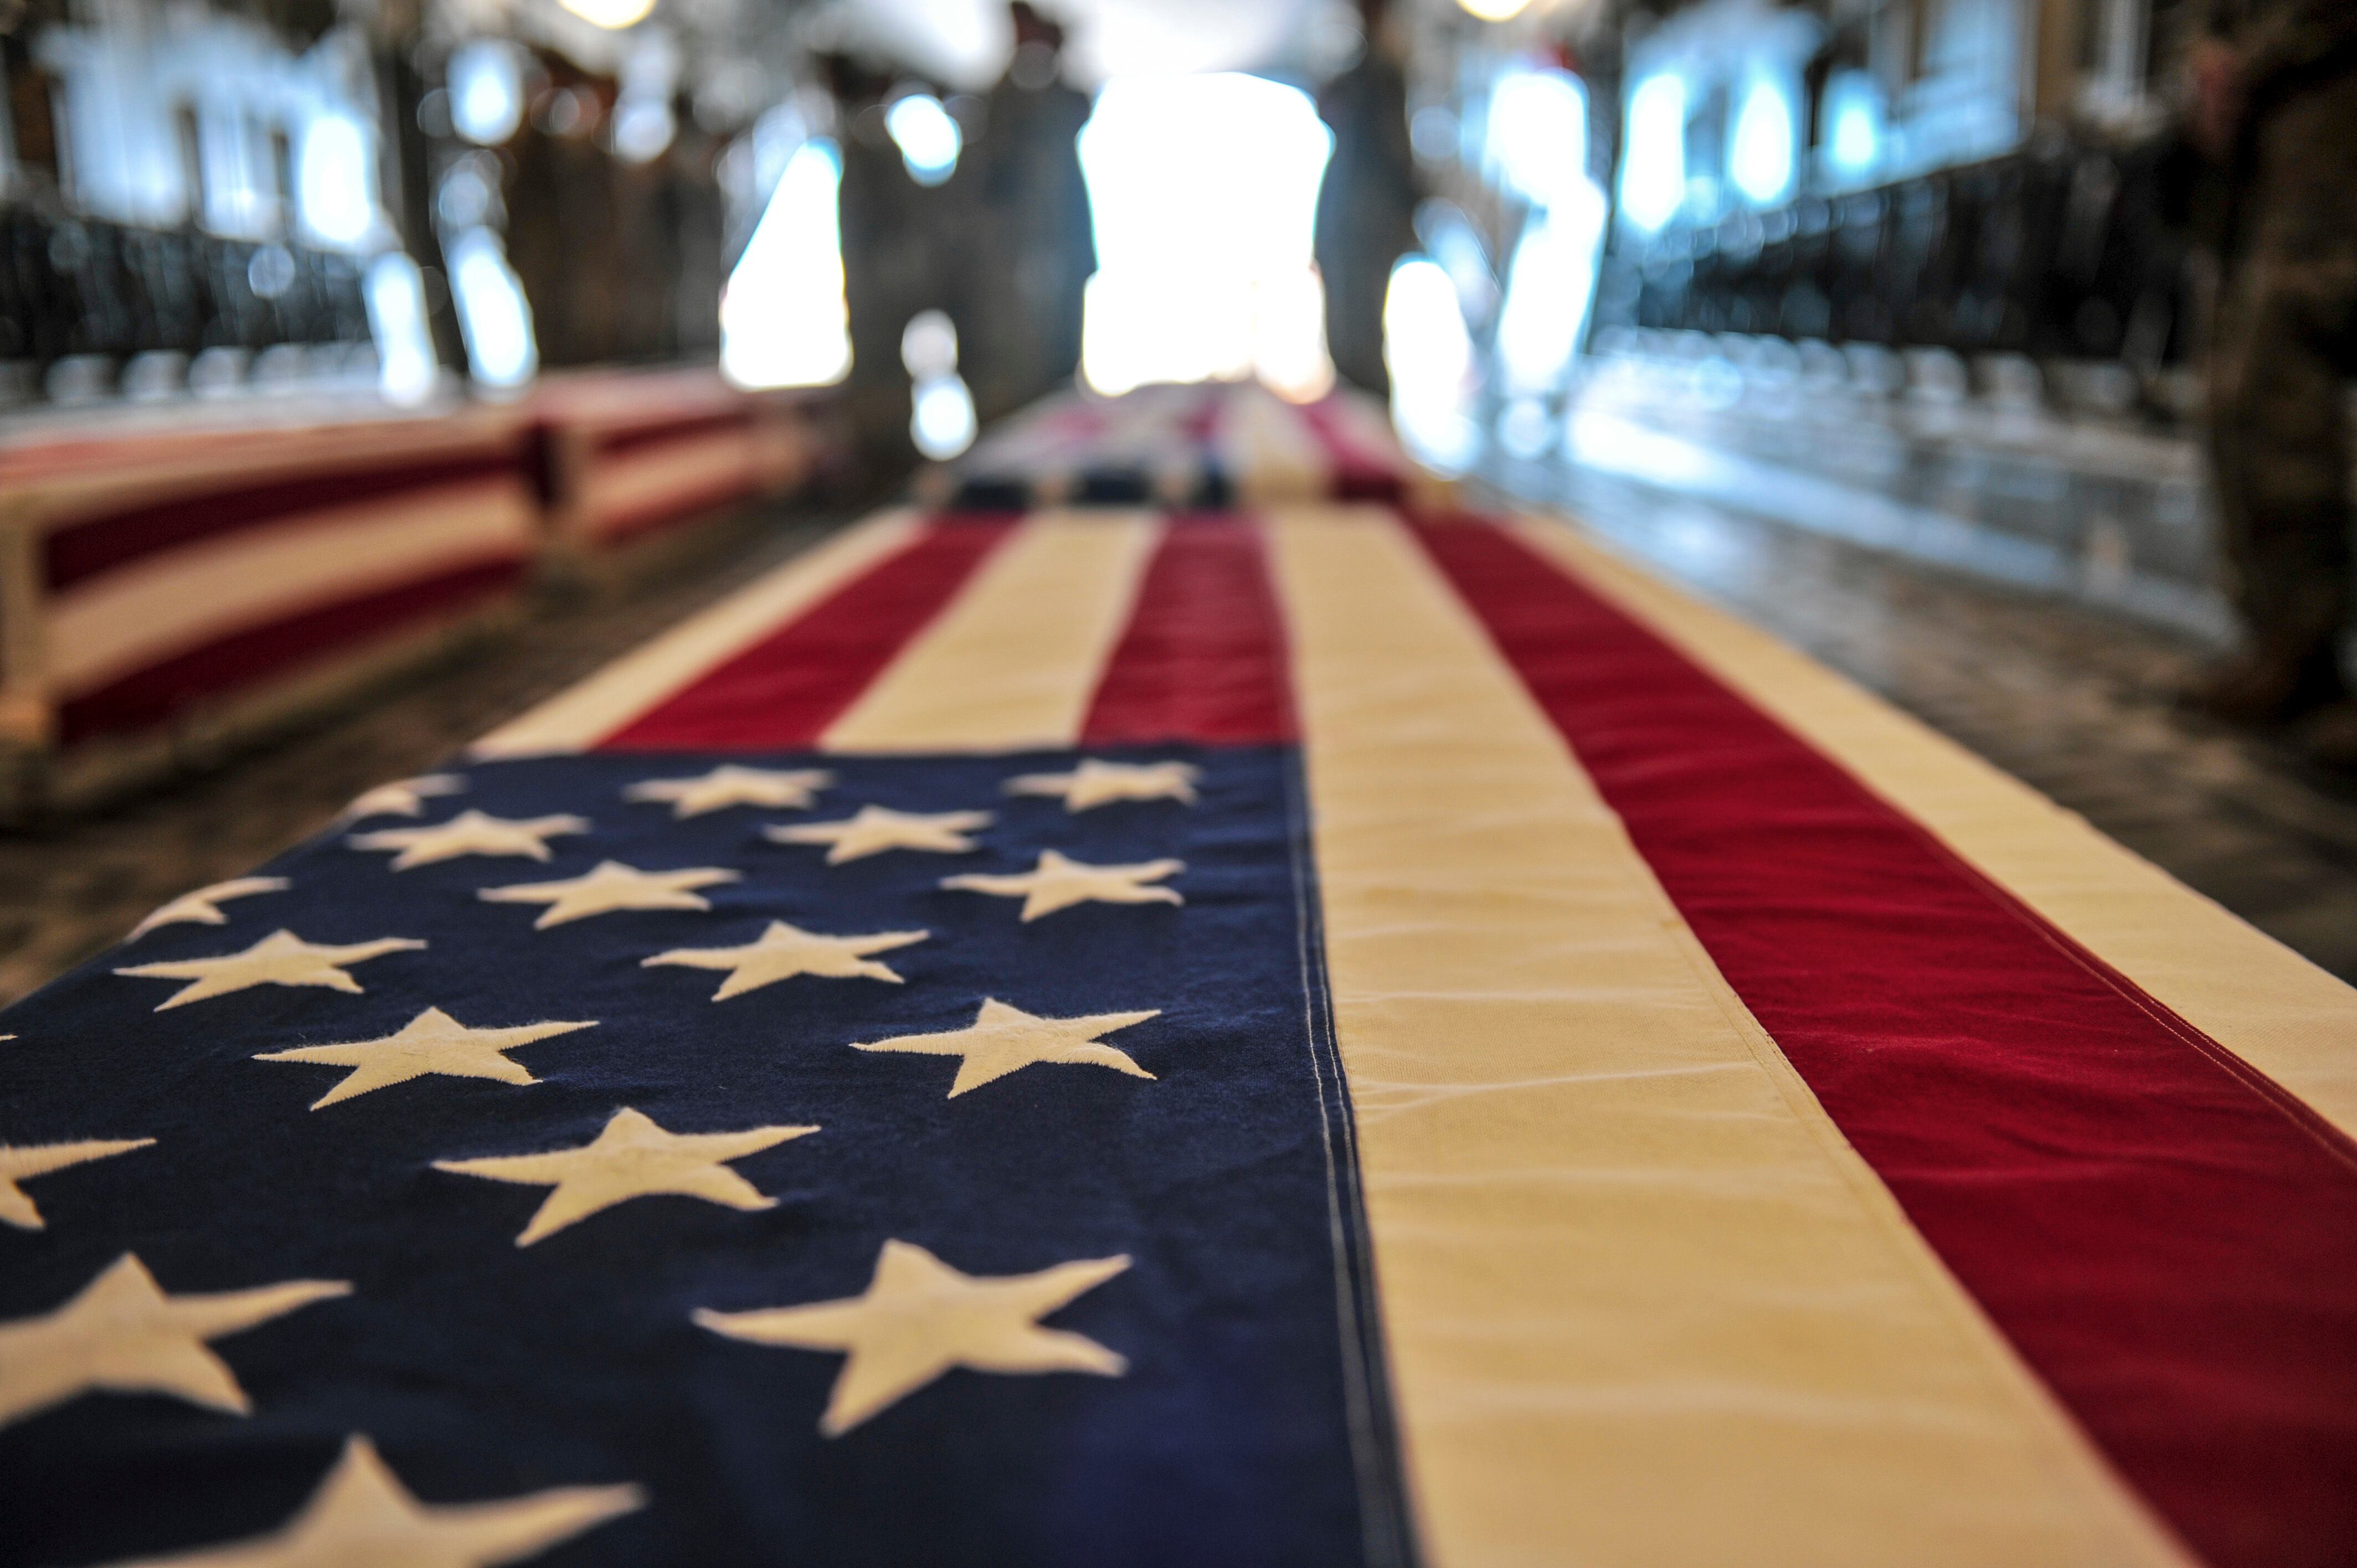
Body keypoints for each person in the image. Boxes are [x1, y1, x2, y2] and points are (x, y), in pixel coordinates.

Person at [2182, 0, 2357, 765]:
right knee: (2247, 391)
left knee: (2279, 376)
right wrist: (2213, 57)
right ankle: (2287, 643)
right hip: (2279, 122)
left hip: (2331, 95)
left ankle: (2304, 652)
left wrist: (2254, 59)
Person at [954, 3, 1096, 424]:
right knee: (1011, 398)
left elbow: (1079, 106)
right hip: (1007, 282)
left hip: (1058, 269)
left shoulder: (1055, 102)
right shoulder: (1004, 104)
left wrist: (1051, 58)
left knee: (1059, 384)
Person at [1314, 0, 1420, 398]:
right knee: (1346, 342)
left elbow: (1395, 152)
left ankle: (1374, 447)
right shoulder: (1365, 66)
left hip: (1364, 228)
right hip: (1353, 226)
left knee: (1358, 345)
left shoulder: (1381, 71)